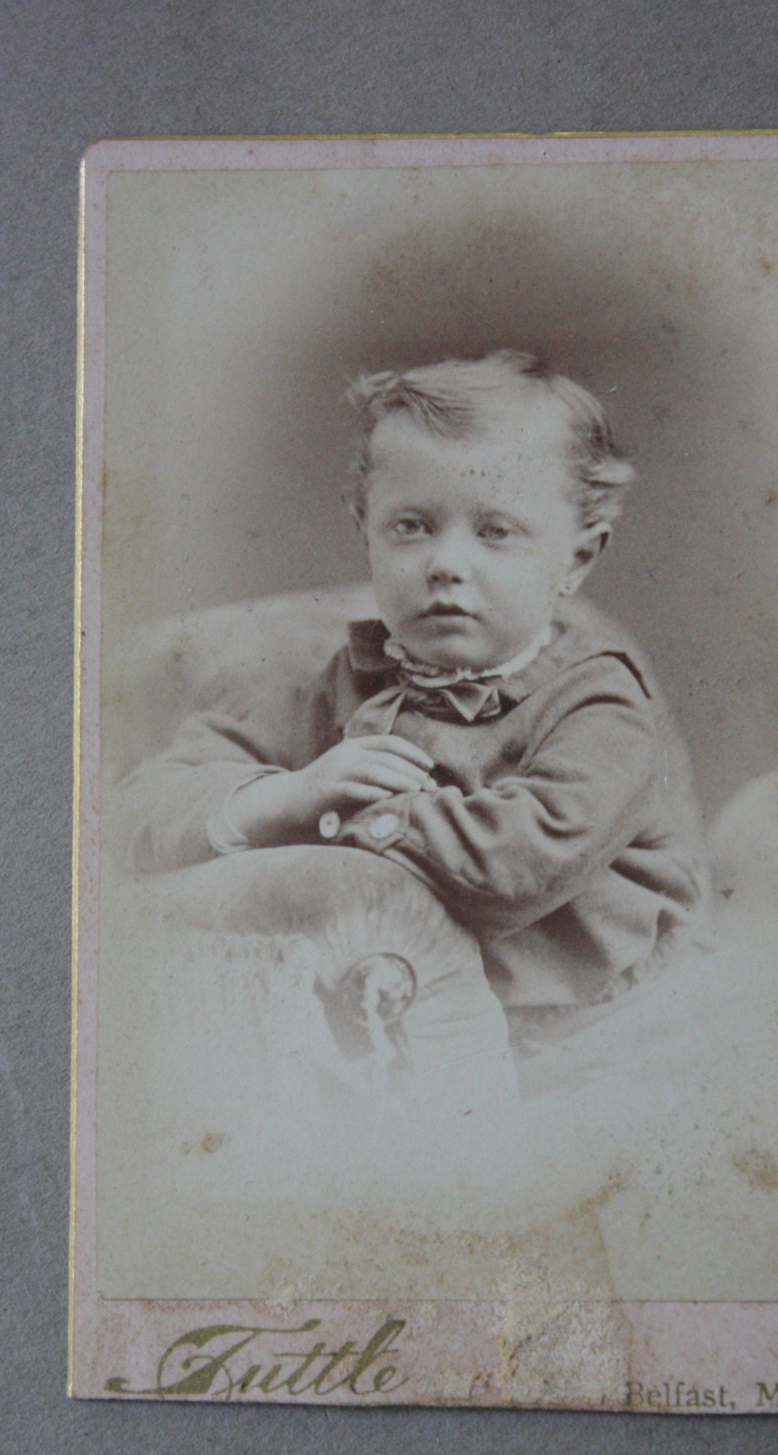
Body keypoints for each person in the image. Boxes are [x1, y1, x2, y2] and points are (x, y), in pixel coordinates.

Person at [120, 350, 708, 1028]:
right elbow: (145, 803)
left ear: (575, 559)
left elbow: (512, 868)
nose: (445, 565)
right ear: (363, 530)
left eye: (495, 532)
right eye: (411, 526)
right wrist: (281, 794)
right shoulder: (336, 682)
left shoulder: (600, 708)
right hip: (427, 1024)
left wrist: (328, 816)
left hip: (603, 1031)